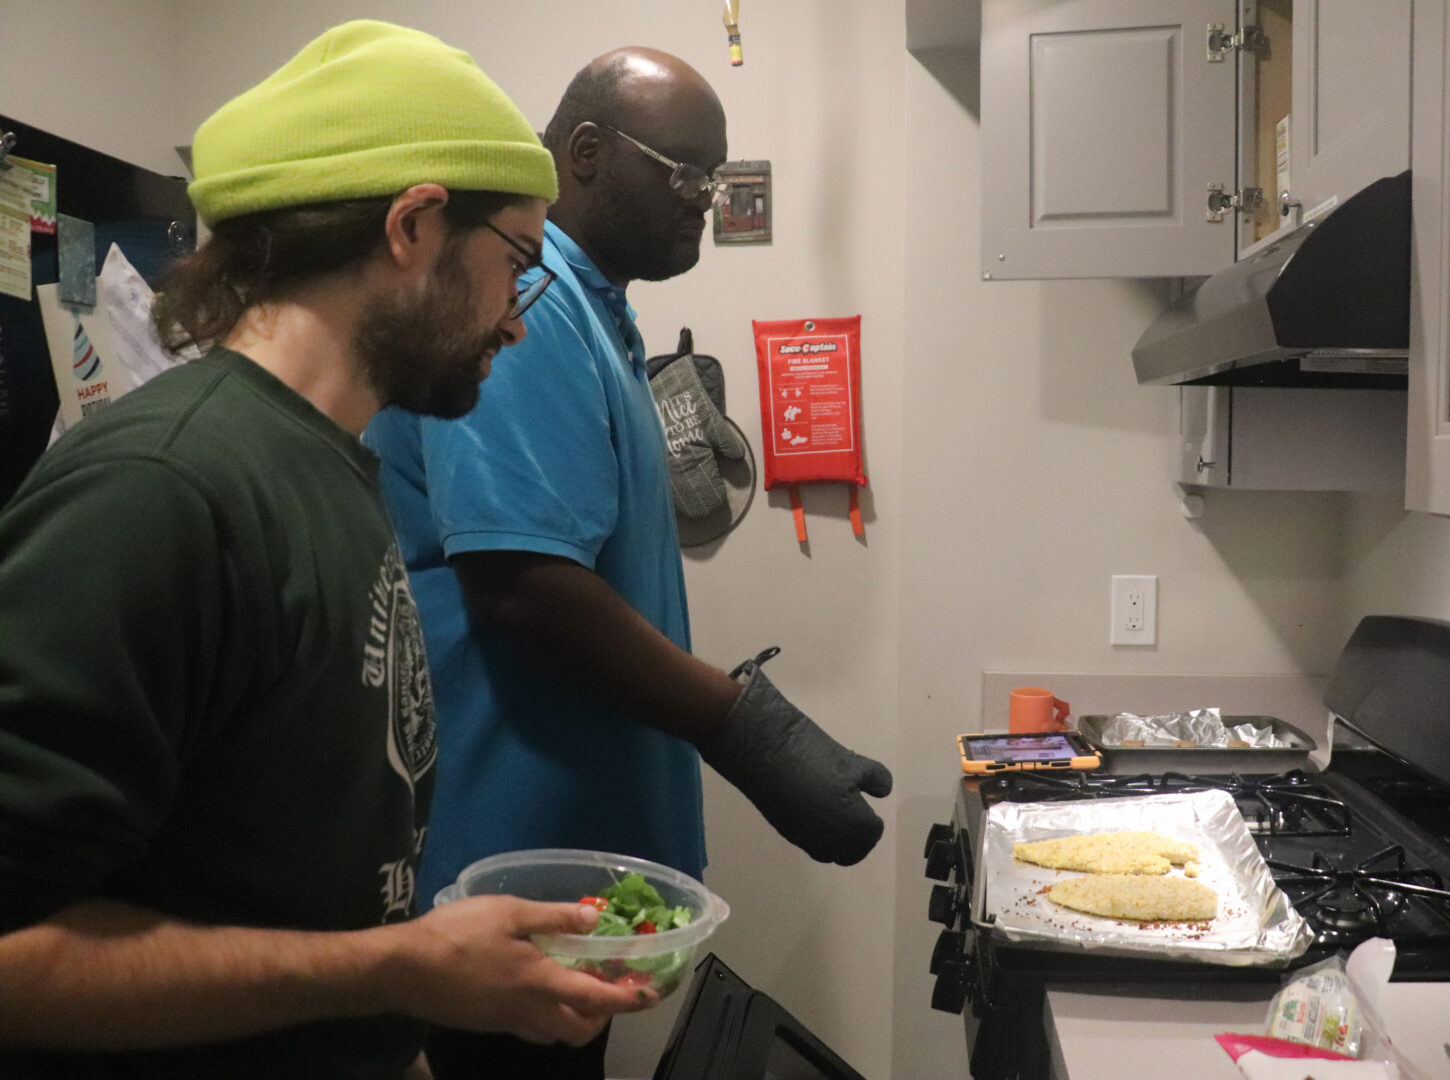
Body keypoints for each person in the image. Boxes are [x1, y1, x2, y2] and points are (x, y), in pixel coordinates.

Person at [0, 21, 653, 1080]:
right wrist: (389, 974)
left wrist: (400, 1020)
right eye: (517, 265)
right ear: (412, 225)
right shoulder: (162, 490)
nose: (520, 323)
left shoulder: (333, 464)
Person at [364, 47, 894, 1080]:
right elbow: (522, 583)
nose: (706, 199)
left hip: (566, 859)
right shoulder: (535, 304)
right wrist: (741, 726)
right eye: (688, 173)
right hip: (501, 863)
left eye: (718, 178)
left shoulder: (594, 305)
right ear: (591, 154)